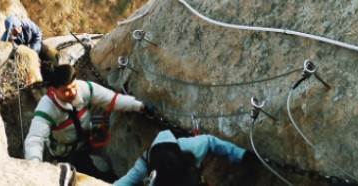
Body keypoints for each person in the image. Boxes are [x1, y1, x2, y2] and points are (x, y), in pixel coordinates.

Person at [24, 64, 154, 179]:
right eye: (66, 91)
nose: (73, 92)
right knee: (92, 172)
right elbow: (35, 138)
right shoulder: (47, 107)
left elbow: (112, 99)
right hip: (65, 154)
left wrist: (139, 106)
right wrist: (35, 167)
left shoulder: (85, 88)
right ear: (54, 90)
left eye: (73, 86)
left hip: (85, 144)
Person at [114, 129, 253, 186]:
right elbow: (210, 141)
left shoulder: (187, 146)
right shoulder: (144, 164)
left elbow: (211, 141)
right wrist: (240, 155)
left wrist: (241, 155)